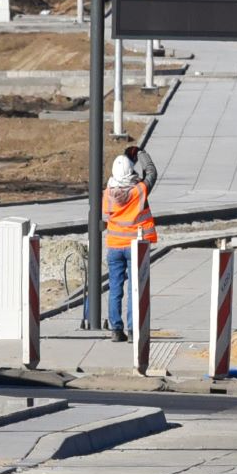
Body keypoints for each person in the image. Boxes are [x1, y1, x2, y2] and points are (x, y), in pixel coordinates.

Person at [103, 141, 159, 341]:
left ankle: (116, 330)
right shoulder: (139, 191)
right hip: (135, 246)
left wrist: (125, 160)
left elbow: (104, 216)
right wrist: (141, 154)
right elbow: (151, 173)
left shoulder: (108, 193)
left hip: (114, 246)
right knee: (135, 288)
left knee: (115, 288)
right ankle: (134, 328)